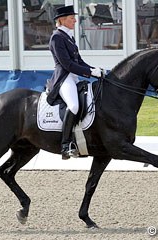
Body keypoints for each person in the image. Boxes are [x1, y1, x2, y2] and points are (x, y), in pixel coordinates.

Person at [46, 5, 105, 160]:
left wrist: (94, 69)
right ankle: (65, 145)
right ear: (62, 20)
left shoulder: (69, 37)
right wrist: (89, 73)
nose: (74, 20)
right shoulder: (56, 38)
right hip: (64, 78)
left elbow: (79, 61)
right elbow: (67, 64)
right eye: (72, 18)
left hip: (74, 77)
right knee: (73, 105)